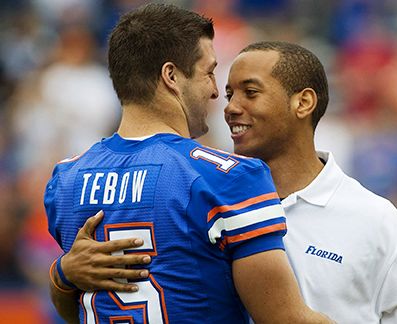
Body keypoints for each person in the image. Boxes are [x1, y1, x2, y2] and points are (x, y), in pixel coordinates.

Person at [52, 40, 397, 323]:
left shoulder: (372, 219)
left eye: (250, 92)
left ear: (304, 103)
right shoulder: (199, 192)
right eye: (229, 90)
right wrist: (64, 275)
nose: (230, 105)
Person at [44, 4, 331, 324]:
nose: (213, 92)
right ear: (171, 76)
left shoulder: (66, 179)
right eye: (209, 73)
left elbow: (86, 306)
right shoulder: (227, 177)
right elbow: (284, 319)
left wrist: (61, 275)